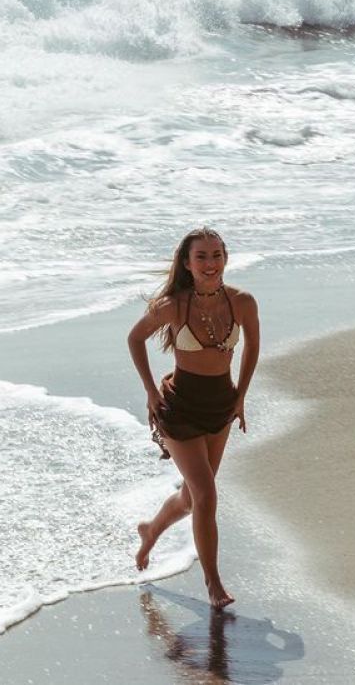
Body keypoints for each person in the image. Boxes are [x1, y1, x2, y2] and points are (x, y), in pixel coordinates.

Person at [127, 227, 260, 609]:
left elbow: (252, 346)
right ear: (187, 263)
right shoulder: (174, 305)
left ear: (226, 258)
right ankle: (214, 583)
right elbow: (135, 338)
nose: (210, 263)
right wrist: (151, 392)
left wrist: (241, 396)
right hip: (179, 408)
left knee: (190, 498)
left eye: (216, 255)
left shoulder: (242, 302)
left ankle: (151, 530)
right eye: (201, 256)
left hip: (221, 406)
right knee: (205, 495)